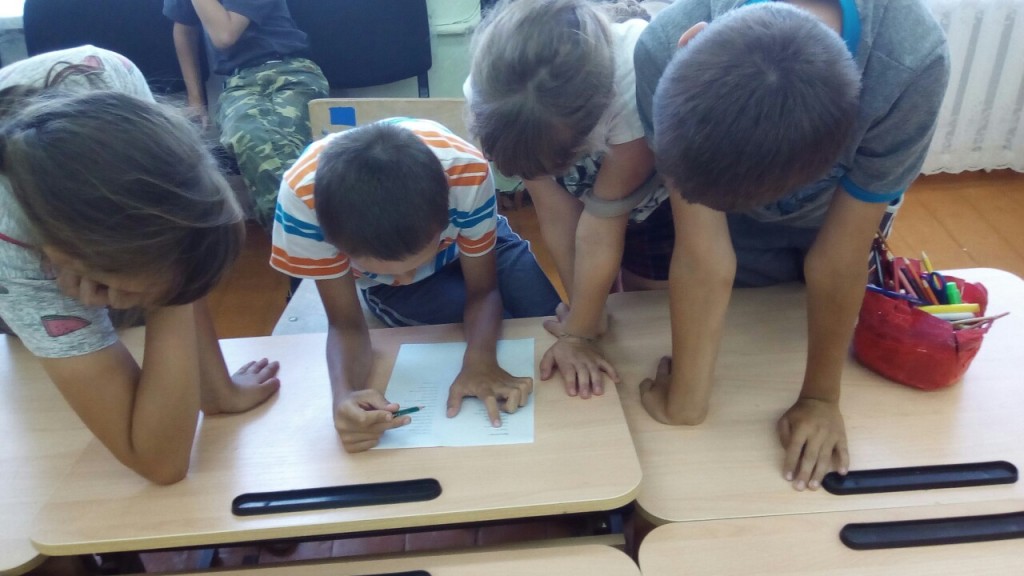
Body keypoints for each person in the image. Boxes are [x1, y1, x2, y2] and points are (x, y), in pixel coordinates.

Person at [634, 0, 949, 490]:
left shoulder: (911, 63)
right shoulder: (662, 48)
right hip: (731, 217)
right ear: (689, 45)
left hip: (838, 217)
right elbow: (703, 249)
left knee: (791, 325)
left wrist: (821, 398)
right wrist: (687, 400)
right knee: (753, 327)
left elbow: (840, 256)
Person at [0, 47, 281, 485]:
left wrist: (217, 390)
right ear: (65, 263)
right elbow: (160, 463)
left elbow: (176, 241)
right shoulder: (15, 252)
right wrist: (168, 297)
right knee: (36, 440)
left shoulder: (110, 79)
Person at [270, 118, 561, 452]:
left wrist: (480, 360)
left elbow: (483, 290)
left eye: (413, 265)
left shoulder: (466, 173)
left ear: (445, 219)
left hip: (478, 243)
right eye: (387, 271)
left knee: (547, 320)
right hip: (397, 276)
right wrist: (344, 397)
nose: (407, 278)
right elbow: (345, 323)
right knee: (502, 324)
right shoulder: (302, 203)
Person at [466, 0, 671, 400]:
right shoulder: (492, 90)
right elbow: (556, 214)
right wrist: (584, 315)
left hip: (655, 201)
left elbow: (604, 222)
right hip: (581, 183)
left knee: (646, 317)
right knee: (598, 310)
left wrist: (578, 334)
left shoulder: (634, 75)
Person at [163, 0, 329, 231]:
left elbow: (225, 35)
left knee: (280, 142)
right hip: (238, 82)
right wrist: (196, 100)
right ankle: (300, 233)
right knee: (247, 135)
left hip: (291, 71)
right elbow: (184, 29)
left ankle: (305, 233)